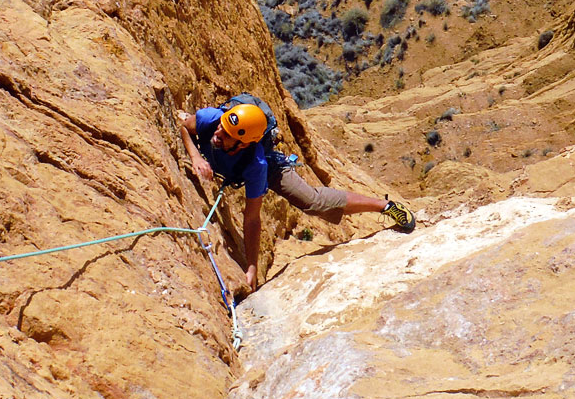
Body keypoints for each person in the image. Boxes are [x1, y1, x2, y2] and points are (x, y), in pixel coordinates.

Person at [177, 98, 416, 293]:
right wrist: (197, 157)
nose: (218, 134)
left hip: (271, 169)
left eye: (227, 135)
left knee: (312, 201)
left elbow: (252, 218)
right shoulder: (211, 119)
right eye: (221, 127)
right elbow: (186, 128)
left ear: (242, 144)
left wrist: (251, 266)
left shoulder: (256, 165)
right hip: (230, 162)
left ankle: (385, 206)